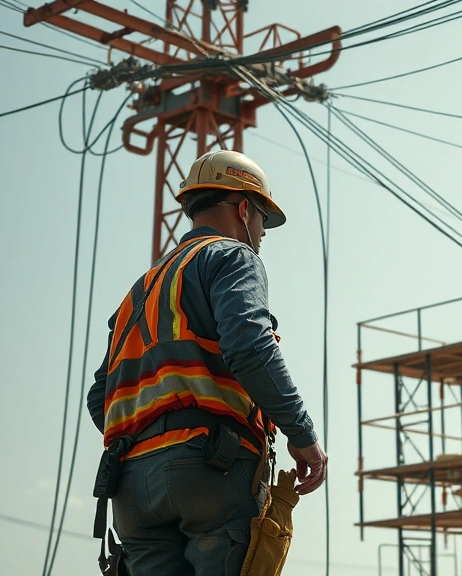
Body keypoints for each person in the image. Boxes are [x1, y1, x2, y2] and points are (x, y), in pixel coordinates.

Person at [86, 149, 327, 576]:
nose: (261, 233)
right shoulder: (232, 257)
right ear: (243, 209)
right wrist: (301, 433)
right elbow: (250, 346)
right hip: (211, 465)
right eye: (262, 220)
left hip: (131, 486)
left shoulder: (139, 291)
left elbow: (99, 396)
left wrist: (148, 441)